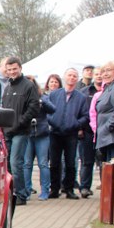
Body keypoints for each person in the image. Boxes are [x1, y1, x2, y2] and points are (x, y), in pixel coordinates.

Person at [1, 56, 39, 206]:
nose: (12, 72)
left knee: (16, 163)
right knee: (8, 164)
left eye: (14, 69)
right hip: (7, 131)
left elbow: (34, 107)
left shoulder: (28, 86)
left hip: (21, 131)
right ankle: (11, 192)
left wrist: (21, 122)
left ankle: (21, 194)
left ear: (20, 68)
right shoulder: (7, 87)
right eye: (9, 69)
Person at [47, 68, 89, 199]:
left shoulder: (81, 97)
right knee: (54, 163)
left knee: (70, 162)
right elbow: (47, 111)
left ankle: (69, 189)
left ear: (77, 79)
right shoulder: (54, 95)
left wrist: (75, 124)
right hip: (55, 132)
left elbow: (85, 116)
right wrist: (53, 121)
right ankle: (54, 189)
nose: (72, 78)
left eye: (74, 76)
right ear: (65, 77)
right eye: (70, 75)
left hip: (71, 134)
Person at [23, 77, 55, 200]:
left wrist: (41, 102)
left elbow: (53, 109)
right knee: (27, 164)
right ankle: (26, 191)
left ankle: (45, 191)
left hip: (42, 134)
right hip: (27, 134)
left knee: (43, 163)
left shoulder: (43, 97)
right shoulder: (22, 98)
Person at [79, 66, 101, 197]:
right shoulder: (84, 92)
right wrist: (79, 128)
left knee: (104, 162)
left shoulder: (109, 91)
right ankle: (85, 187)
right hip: (87, 131)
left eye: (101, 74)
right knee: (87, 161)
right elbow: (79, 111)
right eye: (96, 74)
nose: (99, 76)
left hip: (103, 132)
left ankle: (106, 186)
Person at [96, 61, 114, 162]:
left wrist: (108, 126)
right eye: (103, 71)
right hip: (108, 138)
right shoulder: (109, 87)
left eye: (108, 70)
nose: (105, 74)